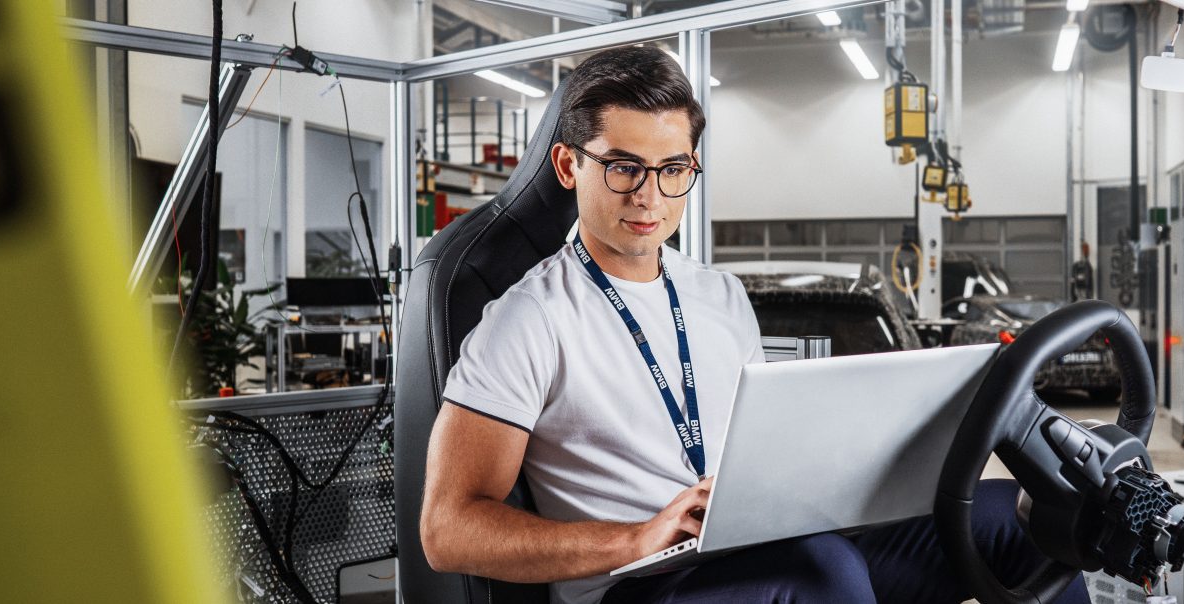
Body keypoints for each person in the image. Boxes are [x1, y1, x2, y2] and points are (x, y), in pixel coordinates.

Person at [418, 46, 1088, 604]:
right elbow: (447, 530)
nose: (649, 196)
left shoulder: (719, 294)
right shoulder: (528, 319)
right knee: (824, 575)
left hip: (764, 543)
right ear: (569, 166)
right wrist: (638, 535)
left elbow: (765, 448)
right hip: (644, 582)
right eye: (624, 167)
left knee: (1024, 518)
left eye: (672, 169)